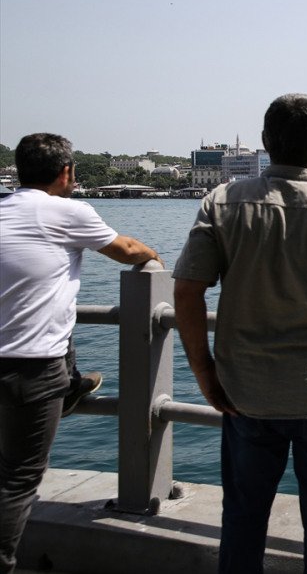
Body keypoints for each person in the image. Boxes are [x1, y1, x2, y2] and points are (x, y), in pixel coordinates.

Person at [173, 94, 307, 574]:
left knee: (244, 516)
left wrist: (205, 374)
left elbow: (187, 291)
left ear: (266, 144)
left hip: (245, 391)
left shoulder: (223, 202)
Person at [0, 133, 163, 574]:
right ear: (67, 172)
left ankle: (71, 385)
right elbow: (125, 250)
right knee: (18, 479)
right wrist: (155, 259)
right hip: (30, 368)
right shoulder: (68, 211)